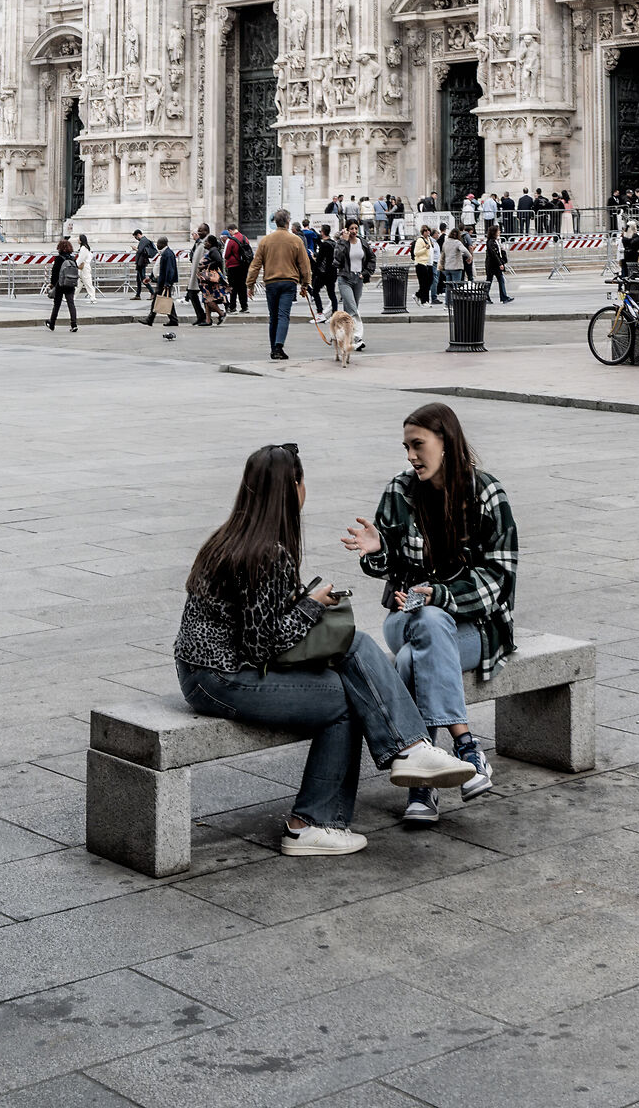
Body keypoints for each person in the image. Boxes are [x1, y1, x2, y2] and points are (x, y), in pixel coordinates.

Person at [175, 442, 472, 856]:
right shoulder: (266, 552)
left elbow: (257, 623)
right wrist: (312, 606)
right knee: (345, 695)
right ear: (293, 487)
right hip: (221, 679)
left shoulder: (232, 537)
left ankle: (404, 754)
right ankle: (317, 818)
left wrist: (305, 601)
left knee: (349, 663)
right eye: (302, 481)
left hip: (204, 672)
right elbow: (263, 645)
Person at [344, 401, 515, 824]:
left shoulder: (486, 494)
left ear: (446, 442)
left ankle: (423, 784)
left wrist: (440, 595)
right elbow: (385, 566)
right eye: (406, 447)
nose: (411, 456)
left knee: (411, 657)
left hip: (475, 628)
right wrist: (378, 550)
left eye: (418, 445)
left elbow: (499, 579)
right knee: (425, 622)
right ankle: (467, 747)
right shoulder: (400, 491)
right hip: (405, 618)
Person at [248, 208, 313, 360]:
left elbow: (255, 265)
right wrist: (305, 283)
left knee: (273, 317)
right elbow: (305, 265)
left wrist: (250, 284)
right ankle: (278, 346)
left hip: (271, 282)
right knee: (283, 315)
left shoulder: (265, 241)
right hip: (288, 282)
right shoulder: (295, 240)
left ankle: (273, 349)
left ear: (275, 222)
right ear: (288, 222)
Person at [334, 220, 372, 350]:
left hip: (358, 279)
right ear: (346, 230)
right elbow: (337, 260)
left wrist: (366, 273)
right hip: (345, 278)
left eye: (356, 228)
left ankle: (341, 334)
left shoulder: (363, 242)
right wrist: (344, 242)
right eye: (351, 228)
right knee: (353, 310)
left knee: (349, 311)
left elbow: (372, 258)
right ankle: (357, 338)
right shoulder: (341, 243)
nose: (354, 231)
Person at [146, 236, 180, 330]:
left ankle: (150, 319)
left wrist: (167, 283)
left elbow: (170, 270)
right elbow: (159, 267)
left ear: (163, 244)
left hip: (165, 281)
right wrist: (151, 277)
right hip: (162, 281)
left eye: (158, 243)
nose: (157, 245)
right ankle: (173, 319)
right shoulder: (164, 253)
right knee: (166, 299)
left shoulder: (168, 254)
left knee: (158, 299)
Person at [47, 235, 79, 333]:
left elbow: (54, 273)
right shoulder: (73, 258)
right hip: (70, 284)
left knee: (57, 305)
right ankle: (74, 324)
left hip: (60, 285)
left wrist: (52, 284)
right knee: (71, 304)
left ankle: (52, 323)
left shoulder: (58, 259)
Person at [224, 223, 253, 318]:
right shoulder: (245, 238)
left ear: (230, 230)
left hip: (233, 266)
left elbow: (226, 255)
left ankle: (232, 307)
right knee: (242, 286)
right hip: (243, 266)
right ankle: (244, 306)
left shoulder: (231, 240)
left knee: (233, 287)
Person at [483, 219, 514, 304]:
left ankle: (502, 297)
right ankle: (493, 297)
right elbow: (494, 254)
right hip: (493, 265)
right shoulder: (491, 242)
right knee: (491, 281)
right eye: (498, 231)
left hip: (494, 264)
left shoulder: (496, 241)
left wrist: (502, 252)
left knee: (498, 280)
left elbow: (498, 253)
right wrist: (500, 264)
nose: (499, 232)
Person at [412, 221, 435, 304]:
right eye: (426, 230)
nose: (427, 232)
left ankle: (418, 295)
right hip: (421, 263)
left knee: (429, 281)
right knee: (424, 283)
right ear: (423, 232)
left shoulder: (429, 240)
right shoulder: (420, 240)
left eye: (428, 230)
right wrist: (425, 248)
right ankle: (424, 301)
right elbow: (416, 253)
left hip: (429, 264)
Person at [132, 228, 155, 300]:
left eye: (136, 237)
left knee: (143, 278)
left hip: (142, 262)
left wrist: (135, 249)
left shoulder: (143, 240)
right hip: (141, 262)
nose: (136, 239)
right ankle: (138, 295)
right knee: (138, 279)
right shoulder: (144, 240)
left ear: (138, 235)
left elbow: (140, 251)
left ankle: (152, 292)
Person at [75, 232, 96, 302]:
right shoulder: (85, 247)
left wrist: (75, 265)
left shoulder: (83, 248)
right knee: (79, 283)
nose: (77, 240)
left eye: (78, 239)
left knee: (87, 282)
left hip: (84, 267)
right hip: (84, 267)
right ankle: (73, 296)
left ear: (81, 240)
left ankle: (92, 297)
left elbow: (81, 258)